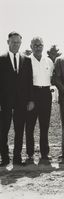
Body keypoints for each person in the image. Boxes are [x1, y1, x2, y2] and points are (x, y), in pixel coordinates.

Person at [0, 32, 34, 166]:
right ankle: (4, 158)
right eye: (13, 42)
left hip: (22, 102)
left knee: (19, 130)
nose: (16, 45)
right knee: (3, 131)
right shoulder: (1, 59)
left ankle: (17, 158)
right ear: (7, 42)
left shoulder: (27, 60)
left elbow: (29, 81)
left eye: (18, 42)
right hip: (5, 103)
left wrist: (31, 100)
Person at [25, 37, 54, 163]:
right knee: (30, 127)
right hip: (32, 94)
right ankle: (30, 154)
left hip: (46, 94)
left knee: (44, 126)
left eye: (40, 45)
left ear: (43, 46)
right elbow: (25, 83)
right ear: (31, 46)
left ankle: (44, 154)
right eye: (35, 45)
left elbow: (52, 78)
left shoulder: (48, 61)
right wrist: (29, 99)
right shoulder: (26, 61)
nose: (38, 47)